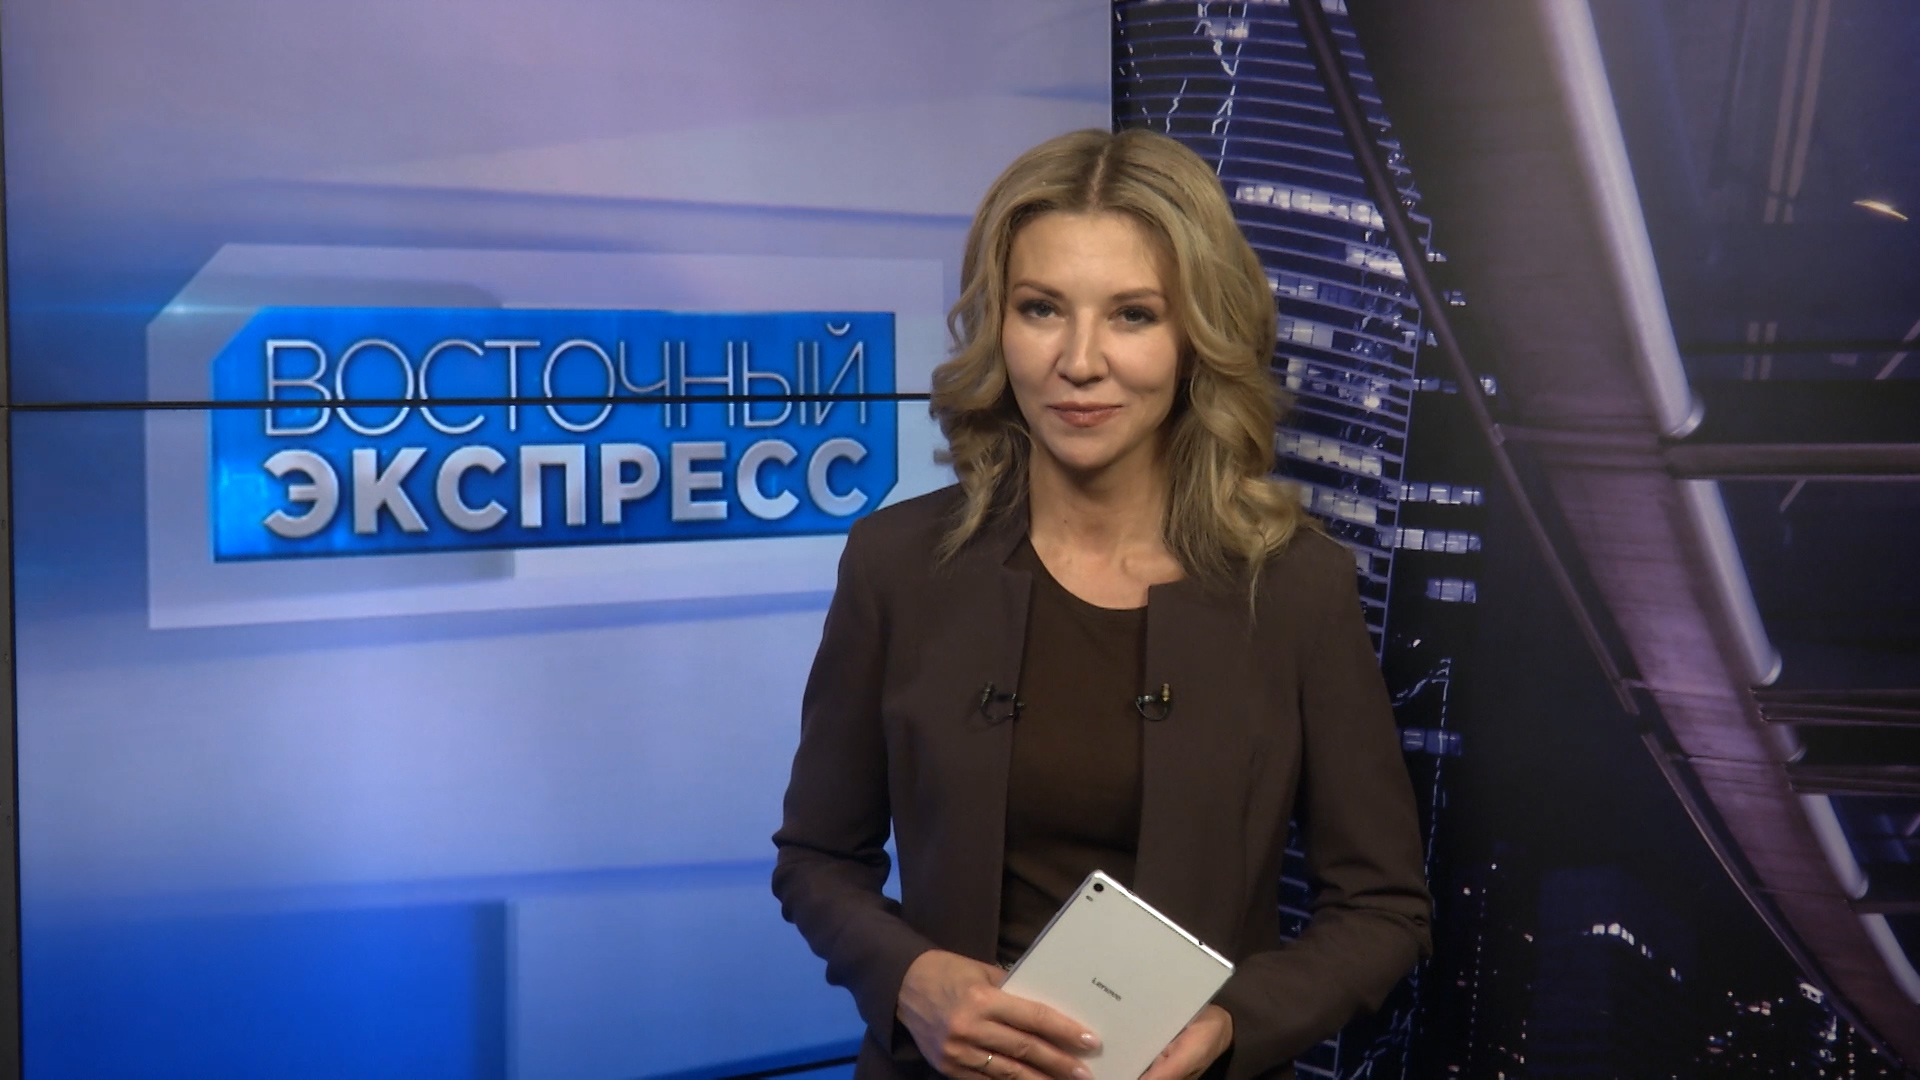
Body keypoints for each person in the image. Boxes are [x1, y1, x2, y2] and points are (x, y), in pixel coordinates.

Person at [772, 128, 1430, 1080]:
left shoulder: (1295, 587)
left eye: (1132, 315)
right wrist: (910, 980)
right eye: (1041, 308)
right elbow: (815, 858)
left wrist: (1230, 1027)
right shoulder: (897, 563)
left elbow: (1383, 908)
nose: (1079, 362)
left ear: (1196, 336)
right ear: (998, 326)